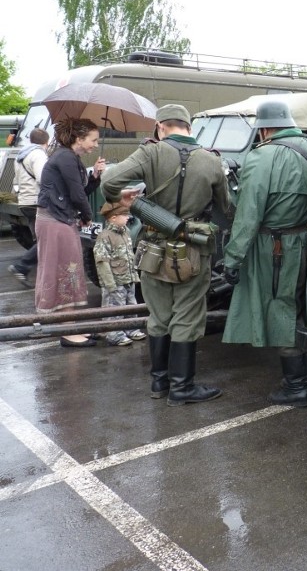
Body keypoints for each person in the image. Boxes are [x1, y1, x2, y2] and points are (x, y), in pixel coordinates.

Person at [101, 104, 230, 406]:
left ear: (160, 127)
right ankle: (182, 387)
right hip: (193, 250)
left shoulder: (150, 153)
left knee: (158, 315)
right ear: (189, 127)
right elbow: (226, 207)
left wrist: (122, 198)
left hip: (153, 249)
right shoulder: (211, 161)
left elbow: (109, 182)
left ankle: (159, 383)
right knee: (187, 314)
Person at [221, 99, 307, 407]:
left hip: (277, 248)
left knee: (282, 311)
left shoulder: (262, 157)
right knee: (303, 306)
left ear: (265, 129)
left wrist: (232, 258)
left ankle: (297, 386)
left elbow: (248, 214)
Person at [34, 118, 106, 347]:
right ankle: (67, 331)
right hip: (55, 222)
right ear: (79, 138)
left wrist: (94, 176)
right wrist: (87, 216)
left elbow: (79, 192)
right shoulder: (65, 157)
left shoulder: (67, 157)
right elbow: (77, 195)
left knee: (67, 272)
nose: (95, 145)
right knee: (66, 273)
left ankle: (69, 326)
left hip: (58, 220)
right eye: (93, 140)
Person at [93, 201, 147, 347]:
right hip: (115, 281)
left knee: (131, 305)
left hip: (127, 278)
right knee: (114, 309)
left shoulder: (126, 232)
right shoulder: (105, 236)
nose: (128, 218)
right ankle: (115, 334)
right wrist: (109, 284)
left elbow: (130, 255)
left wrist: (134, 275)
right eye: (124, 215)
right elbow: (102, 262)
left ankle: (131, 329)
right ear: (113, 217)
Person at [8, 128, 50, 288]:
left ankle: (29, 269)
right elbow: (43, 178)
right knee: (46, 239)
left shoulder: (21, 155)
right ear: (46, 142)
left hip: (25, 201)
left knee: (40, 239)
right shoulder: (38, 154)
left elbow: (16, 180)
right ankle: (21, 267)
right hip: (36, 201)